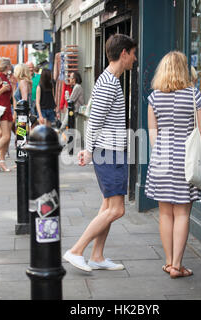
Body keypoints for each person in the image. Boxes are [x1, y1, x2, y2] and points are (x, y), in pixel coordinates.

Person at [63, 34, 137, 272]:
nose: (135, 59)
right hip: (109, 152)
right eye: (133, 53)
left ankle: (97, 256)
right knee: (117, 209)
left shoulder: (110, 80)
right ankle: (76, 250)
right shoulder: (108, 83)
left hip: (110, 151)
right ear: (123, 53)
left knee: (107, 207)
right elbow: (95, 120)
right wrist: (88, 149)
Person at [145, 51, 201, 278]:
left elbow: (153, 134)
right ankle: (177, 266)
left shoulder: (154, 98)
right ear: (184, 70)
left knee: (165, 213)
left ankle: (169, 261)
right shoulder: (194, 96)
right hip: (186, 159)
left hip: (162, 158)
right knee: (182, 213)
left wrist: (159, 155)